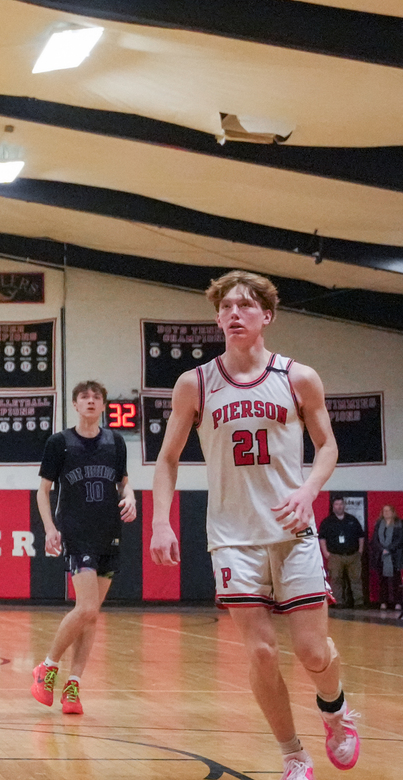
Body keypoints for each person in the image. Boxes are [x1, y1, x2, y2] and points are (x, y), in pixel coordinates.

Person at [151, 270, 359, 780]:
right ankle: (293, 755)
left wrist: (309, 491)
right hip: (231, 538)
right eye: (226, 307)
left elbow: (328, 445)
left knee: (312, 652)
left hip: (292, 531)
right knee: (263, 653)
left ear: (266, 315)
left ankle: (335, 712)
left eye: (245, 306)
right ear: (218, 317)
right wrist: (161, 520)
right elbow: (167, 458)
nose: (234, 314)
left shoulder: (298, 377)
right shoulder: (194, 383)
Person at [31, 380, 135, 716]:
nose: (90, 401)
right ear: (75, 405)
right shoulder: (60, 443)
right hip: (76, 531)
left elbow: (123, 480)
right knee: (87, 607)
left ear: (103, 404)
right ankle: (47, 667)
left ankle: (73, 685)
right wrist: (49, 528)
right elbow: (42, 491)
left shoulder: (115, 442)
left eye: (96, 397)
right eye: (84, 397)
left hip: (110, 531)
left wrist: (130, 494)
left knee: (91, 614)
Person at [317, 497, 365, 609]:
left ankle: (359, 602)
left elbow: (361, 536)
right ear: (333, 507)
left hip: (353, 555)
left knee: (356, 579)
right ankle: (338, 602)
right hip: (335, 555)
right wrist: (325, 553)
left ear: (344, 505)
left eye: (341, 504)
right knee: (336, 579)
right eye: (337, 504)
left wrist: (360, 551)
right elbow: (322, 538)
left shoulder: (352, 520)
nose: (339, 506)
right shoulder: (327, 521)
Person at [370, 505, 403, 610]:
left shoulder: (399, 524)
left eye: (388, 510)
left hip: (394, 556)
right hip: (381, 556)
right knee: (382, 581)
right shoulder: (378, 524)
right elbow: (375, 540)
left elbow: (400, 539)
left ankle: (398, 602)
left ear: (393, 512)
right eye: (384, 510)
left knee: (395, 581)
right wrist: (382, 549)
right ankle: (383, 602)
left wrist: (389, 549)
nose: (386, 512)